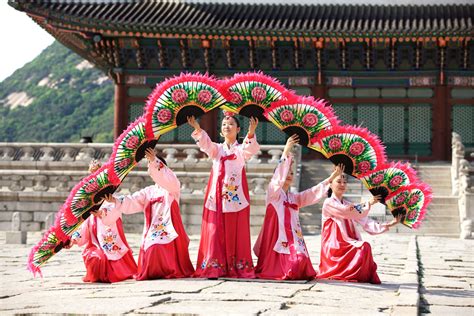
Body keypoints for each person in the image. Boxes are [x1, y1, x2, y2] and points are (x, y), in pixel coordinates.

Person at [254, 135, 343, 280]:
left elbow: (311, 193)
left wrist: (332, 177)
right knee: (294, 267)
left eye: (292, 173)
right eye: (286, 173)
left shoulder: (293, 198)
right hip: (277, 240)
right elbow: (278, 176)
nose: (289, 175)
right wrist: (287, 150)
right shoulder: (274, 193)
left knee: (301, 263)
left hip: (293, 240)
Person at [100, 148, 194, 280]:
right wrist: (115, 200)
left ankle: (169, 270)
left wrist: (153, 160)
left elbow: (167, 178)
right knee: (151, 248)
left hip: (169, 228)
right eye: (150, 167)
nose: (152, 170)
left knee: (157, 247)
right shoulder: (148, 191)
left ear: (164, 169)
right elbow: (131, 201)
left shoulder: (173, 187)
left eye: (154, 167)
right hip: (153, 230)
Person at [187, 112, 259, 278]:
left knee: (235, 233)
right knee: (214, 232)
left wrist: (251, 132)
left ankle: (238, 266)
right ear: (221, 131)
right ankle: (214, 266)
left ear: (238, 129)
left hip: (235, 197)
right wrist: (198, 128)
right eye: (224, 124)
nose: (227, 126)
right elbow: (205, 145)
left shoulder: (241, 150)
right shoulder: (217, 149)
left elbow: (250, 148)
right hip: (216, 196)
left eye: (231, 124)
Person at [317, 172, 401, 284]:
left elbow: (365, 221)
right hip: (335, 246)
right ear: (331, 184)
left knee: (365, 247)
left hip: (347, 243)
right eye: (339, 181)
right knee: (363, 248)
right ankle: (345, 273)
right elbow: (345, 211)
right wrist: (368, 203)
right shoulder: (329, 203)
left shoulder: (348, 204)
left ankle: (357, 275)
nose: (342, 184)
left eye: (345, 182)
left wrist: (389, 224)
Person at [67, 160, 137, 283]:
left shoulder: (110, 196)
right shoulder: (87, 200)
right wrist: (73, 240)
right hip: (95, 243)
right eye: (91, 176)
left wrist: (101, 213)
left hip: (109, 236)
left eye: (97, 175)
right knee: (96, 258)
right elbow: (83, 224)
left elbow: (114, 210)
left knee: (110, 257)